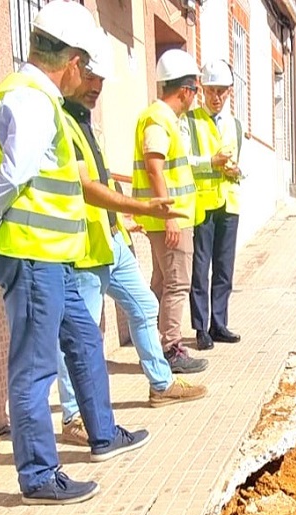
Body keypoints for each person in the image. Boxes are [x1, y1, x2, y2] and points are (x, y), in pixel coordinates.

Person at [0, 1, 149, 505]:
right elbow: (12, 176)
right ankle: (38, 473)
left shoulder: (36, 99)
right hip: (33, 256)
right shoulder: (32, 100)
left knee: (82, 338)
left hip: (54, 257)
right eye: (89, 71)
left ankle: (103, 434)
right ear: (74, 61)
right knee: (35, 366)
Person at [56, 36, 208, 446]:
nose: (96, 89)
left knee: (145, 304)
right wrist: (148, 209)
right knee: (80, 334)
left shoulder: (85, 120)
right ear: (71, 69)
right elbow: (83, 185)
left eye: (100, 83)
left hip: (110, 238)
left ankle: (160, 384)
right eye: (90, 80)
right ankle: (73, 417)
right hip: (83, 246)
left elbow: (101, 177)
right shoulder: (61, 121)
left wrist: (124, 217)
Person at [132, 49, 206, 373]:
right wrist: (170, 216)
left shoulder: (161, 118)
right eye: (196, 90)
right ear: (185, 90)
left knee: (162, 284)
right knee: (176, 284)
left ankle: (154, 344)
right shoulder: (159, 119)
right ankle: (171, 348)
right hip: (170, 221)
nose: (195, 97)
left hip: (165, 220)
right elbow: (154, 168)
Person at [185, 59, 243, 351]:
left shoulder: (235, 125)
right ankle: (200, 328)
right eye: (211, 91)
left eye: (222, 91)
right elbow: (183, 162)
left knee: (224, 269)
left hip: (229, 204)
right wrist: (211, 162)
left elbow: (239, 164)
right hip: (204, 205)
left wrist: (236, 171)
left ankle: (218, 324)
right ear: (202, 90)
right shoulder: (190, 121)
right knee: (200, 269)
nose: (216, 97)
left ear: (230, 91)